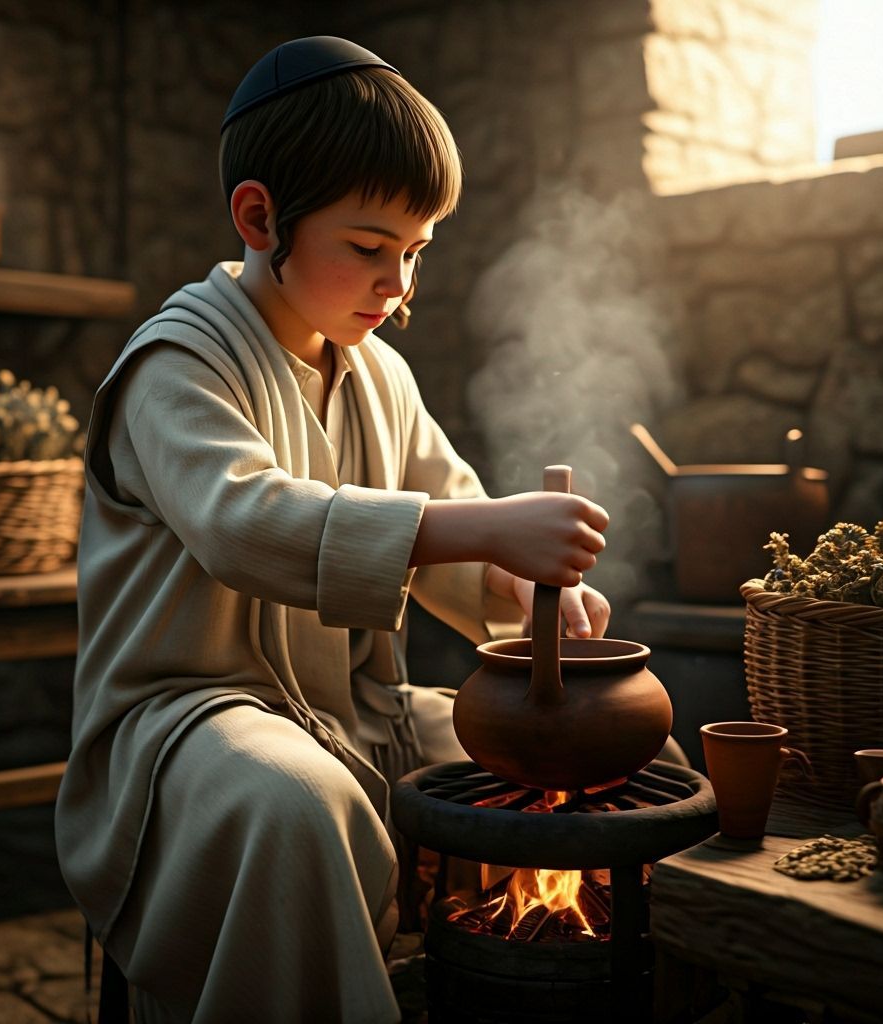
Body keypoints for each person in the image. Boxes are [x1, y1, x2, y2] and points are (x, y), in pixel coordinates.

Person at [55, 36, 613, 1024]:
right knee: (294, 803)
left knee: (574, 762)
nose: (396, 283)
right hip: (186, 723)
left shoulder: (380, 375)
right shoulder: (174, 366)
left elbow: (456, 525)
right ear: (260, 216)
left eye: (415, 252)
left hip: (349, 714)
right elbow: (246, 525)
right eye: (367, 248)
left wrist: (530, 591)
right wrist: (494, 526)